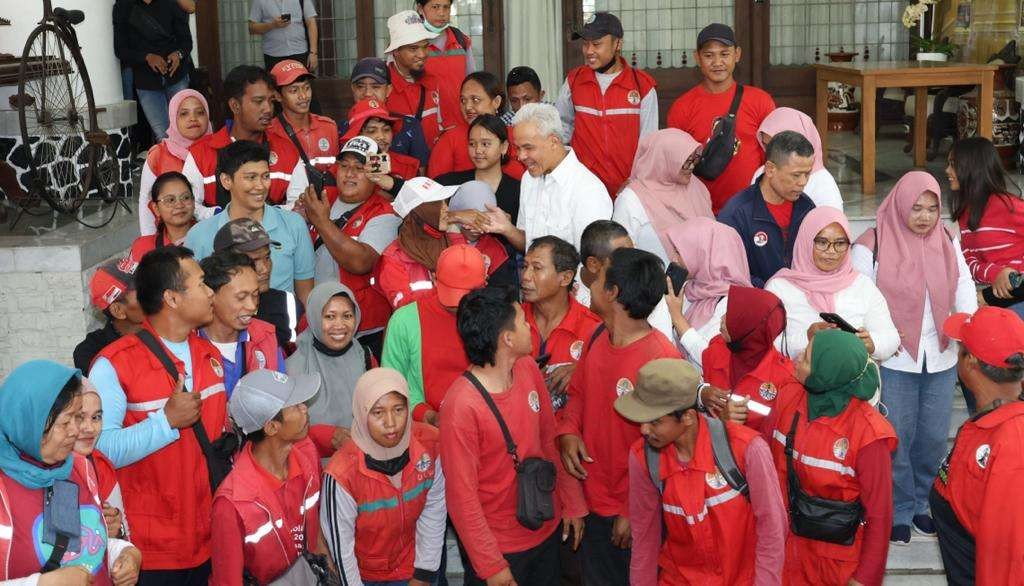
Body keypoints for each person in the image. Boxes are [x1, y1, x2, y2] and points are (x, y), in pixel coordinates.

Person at [851, 171, 977, 544]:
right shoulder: (872, 242)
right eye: (916, 208)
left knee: (935, 438)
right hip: (894, 358)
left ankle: (923, 502)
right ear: (901, 204)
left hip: (940, 355)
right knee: (897, 437)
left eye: (932, 208)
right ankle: (899, 507)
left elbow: (964, 283)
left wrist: (965, 325)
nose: (924, 216)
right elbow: (860, 297)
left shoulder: (946, 238)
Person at [88, 247, 227, 583]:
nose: (211, 292)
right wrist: (165, 422)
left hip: (209, 540)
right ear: (173, 299)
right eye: (202, 284)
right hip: (150, 553)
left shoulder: (208, 353)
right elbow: (100, 450)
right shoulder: (113, 365)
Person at [442, 286, 587, 585]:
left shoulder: (527, 369)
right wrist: (492, 567)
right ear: (506, 339)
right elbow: (462, 498)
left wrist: (571, 502)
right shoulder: (461, 406)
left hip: (544, 531)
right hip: (500, 551)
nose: (529, 326)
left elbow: (549, 438)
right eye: (523, 320)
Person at [557, 247, 681, 585]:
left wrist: (632, 509)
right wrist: (568, 431)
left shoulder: (660, 361)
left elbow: (668, 449)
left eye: (598, 277)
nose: (589, 280)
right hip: (592, 500)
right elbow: (578, 395)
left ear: (614, 294)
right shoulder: (598, 336)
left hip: (632, 515)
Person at [618, 358, 787, 585]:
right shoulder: (643, 458)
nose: (644, 430)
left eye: (655, 422)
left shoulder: (748, 449)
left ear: (687, 417)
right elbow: (645, 539)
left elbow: (772, 530)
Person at [763, 329, 896, 586]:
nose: (798, 357)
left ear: (827, 372)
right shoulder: (789, 397)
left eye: (808, 358)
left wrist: (865, 578)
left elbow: (880, 514)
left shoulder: (869, 434)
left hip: (837, 563)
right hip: (785, 551)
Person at [0, 360, 142, 584]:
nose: (76, 431)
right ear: (29, 423)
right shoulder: (4, 488)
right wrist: (40, 584)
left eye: (77, 417)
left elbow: (81, 545)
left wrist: (126, 553)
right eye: (66, 422)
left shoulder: (76, 468)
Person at [321, 367, 447, 585]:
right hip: (363, 575)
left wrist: (424, 574)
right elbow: (342, 550)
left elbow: (434, 509)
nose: (391, 423)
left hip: (413, 565)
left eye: (399, 409)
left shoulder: (430, 445)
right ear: (361, 413)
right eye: (378, 412)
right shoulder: (342, 473)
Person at [931, 306, 1024, 584]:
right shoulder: (987, 422)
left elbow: (1007, 559)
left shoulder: (1012, 445)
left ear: (970, 361)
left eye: (960, 347)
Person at [210, 369, 325, 584]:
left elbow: (316, 537)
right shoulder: (231, 504)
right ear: (272, 427)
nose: (305, 409)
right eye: (296, 405)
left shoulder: (307, 454)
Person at [185, 140, 315, 304]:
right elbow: (195, 301)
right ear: (226, 181)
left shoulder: (294, 225)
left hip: (281, 325)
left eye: (265, 176)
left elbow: (306, 294)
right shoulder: (199, 235)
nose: (260, 186)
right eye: (251, 177)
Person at [766, 206, 900, 362]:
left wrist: (872, 344)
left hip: (852, 383)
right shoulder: (780, 288)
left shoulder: (861, 285)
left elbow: (891, 336)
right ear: (806, 241)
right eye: (822, 242)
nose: (831, 251)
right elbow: (765, 344)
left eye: (840, 243)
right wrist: (806, 338)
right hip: (793, 382)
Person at [306, 136, 402, 354]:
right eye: (344, 166)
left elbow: (361, 262)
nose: (350, 174)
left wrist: (321, 221)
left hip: (363, 329)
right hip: (318, 322)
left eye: (359, 168)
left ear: (375, 175)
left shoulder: (384, 212)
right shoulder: (322, 198)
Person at [666, 23, 776, 213]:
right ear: (697, 58)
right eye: (709, 55)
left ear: (737, 54)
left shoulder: (760, 101)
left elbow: (775, 157)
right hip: (700, 210)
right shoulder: (682, 107)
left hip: (751, 209)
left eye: (724, 54)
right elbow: (674, 165)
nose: (717, 62)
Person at [382, 244, 487, 426]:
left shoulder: (497, 318)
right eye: (452, 293)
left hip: (483, 421)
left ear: (485, 283)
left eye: (469, 295)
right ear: (434, 278)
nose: (458, 306)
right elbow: (391, 384)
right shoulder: (404, 320)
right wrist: (425, 414)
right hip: (424, 429)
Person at [484, 103, 612, 252]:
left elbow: (591, 264)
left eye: (528, 147)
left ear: (554, 142)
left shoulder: (588, 190)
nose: (520, 156)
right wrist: (507, 229)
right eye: (518, 148)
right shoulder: (528, 179)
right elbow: (529, 247)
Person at [557, 11, 658, 196]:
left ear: (618, 44)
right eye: (585, 44)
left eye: (596, 44)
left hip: (629, 191)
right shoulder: (573, 81)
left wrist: (635, 182)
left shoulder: (642, 86)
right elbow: (561, 129)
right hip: (584, 191)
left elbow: (649, 144)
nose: (589, 51)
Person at [182, 65, 307, 212]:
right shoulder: (201, 153)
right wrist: (225, 216)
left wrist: (264, 216)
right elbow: (188, 206)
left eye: (271, 101)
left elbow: (301, 204)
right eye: (258, 101)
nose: (268, 109)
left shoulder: (287, 150)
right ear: (235, 106)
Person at [719, 130, 817, 288]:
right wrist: (772, 292)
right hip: (758, 303)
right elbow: (728, 273)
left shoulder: (807, 208)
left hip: (803, 301)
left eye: (807, 174)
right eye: (796, 175)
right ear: (770, 169)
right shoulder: (736, 214)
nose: (803, 182)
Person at [700, 285, 799, 432]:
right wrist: (701, 395)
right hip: (711, 445)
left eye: (733, 315)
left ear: (749, 327)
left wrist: (727, 426)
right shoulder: (715, 349)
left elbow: (776, 437)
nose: (721, 319)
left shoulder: (785, 378)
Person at [521, 236, 602, 412]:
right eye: (525, 266)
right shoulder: (511, 322)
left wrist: (583, 373)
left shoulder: (594, 329)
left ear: (565, 278)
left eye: (537, 268)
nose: (525, 276)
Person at [612, 128, 713, 267]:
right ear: (664, 160)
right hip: (653, 284)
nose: (691, 166)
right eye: (685, 161)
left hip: (702, 281)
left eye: (694, 160)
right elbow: (621, 255)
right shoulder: (630, 200)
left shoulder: (697, 188)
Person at [947, 136, 1024, 317]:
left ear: (973, 168)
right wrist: (996, 274)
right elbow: (968, 260)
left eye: (953, 164)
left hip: (1015, 295)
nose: (947, 170)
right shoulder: (966, 212)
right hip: (991, 293)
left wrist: (1012, 275)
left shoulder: (1008, 207)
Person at [286, 282, 376, 436]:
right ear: (314, 317)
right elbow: (289, 432)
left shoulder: (365, 357)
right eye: (330, 316)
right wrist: (329, 437)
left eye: (347, 316)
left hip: (365, 455)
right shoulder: (293, 370)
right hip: (315, 458)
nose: (339, 325)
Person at [663, 218, 753, 371]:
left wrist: (677, 318)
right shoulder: (690, 287)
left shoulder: (735, 304)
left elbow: (712, 358)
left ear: (704, 254)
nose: (673, 259)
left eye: (679, 252)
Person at [198, 251, 285, 396]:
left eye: (255, 295)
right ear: (210, 295)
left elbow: (281, 397)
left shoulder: (266, 338)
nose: (251, 306)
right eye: (241, 297)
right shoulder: (189, 344)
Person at [212, 218, 304, 349]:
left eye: (267, 257)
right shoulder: (208, 311)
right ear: (225, 263)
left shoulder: (287, 304)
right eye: (253, 261)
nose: (265, 269)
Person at [578, 219, 674, 341]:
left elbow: (659, 351)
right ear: (593, 264)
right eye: (623, 256)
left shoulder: (644, 289)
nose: (632, 260)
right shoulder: (563, 289)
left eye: (633, 251)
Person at [113, 0, 193, 141]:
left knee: (186, 131)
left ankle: (188, 163)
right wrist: (147, 57)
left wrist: (178, 54)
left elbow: (186, 41)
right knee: (163, 137)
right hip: (146, 81)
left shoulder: (171, 3)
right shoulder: (123, 6)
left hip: (176, 75)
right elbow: (121, 50)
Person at [375, 177, 459, 309]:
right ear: (418, 212)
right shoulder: (393, 259)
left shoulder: (456, 243)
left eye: (445, 202)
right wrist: (445, 290)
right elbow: (404, 309)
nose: (446, 209)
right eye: (437, 203)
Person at [138, 90, 212, 235]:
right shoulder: (158, 155)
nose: (193, 118)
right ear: (173, 118)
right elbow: (146, 201)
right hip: (170, 237)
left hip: (212, 233)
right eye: (184, 114)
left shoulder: (219, 149)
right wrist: (149, 239)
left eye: (200, 112)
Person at [428, 71, 524, 180]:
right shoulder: (450, 139)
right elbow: (435, 188)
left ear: (496, 102)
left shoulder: (517, 135)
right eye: (463, 100)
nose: (468, 106)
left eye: (475, 100)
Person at [341, 57, 431, 169]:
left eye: (375, 87)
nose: (368, 93)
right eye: (360, 86)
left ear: (388, 90)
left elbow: (421, 177)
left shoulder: (409, 126)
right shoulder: (342, 128)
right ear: (353, 89)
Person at [267, 60, 338, 200]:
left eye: (306, 88)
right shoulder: (269, 133)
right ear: (277, 95)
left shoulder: (329, 127)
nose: (303, 96)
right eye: (294, 90)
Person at [74, 381, 134, 545]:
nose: (90, 428)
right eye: (79, 417)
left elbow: (124, 536)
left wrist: (117, 530)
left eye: (96, 417)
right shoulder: (32, 468)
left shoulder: (99, 466)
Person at [435, 114, 523, 223]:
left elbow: (526, 237)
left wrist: (507, 229)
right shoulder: (447, 184)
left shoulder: (519, 191)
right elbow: (422, 215)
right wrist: (457, 215)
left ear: (504, 147)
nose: (478, 150)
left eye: (485, 144)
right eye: (472, 144)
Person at [750, 107, 843, 210]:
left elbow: (831, 224)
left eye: (778, 146)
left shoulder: (823, 185)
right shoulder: (762, 173)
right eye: (766, 146)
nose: (771, 153)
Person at [384, 11, 447, 147]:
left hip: (433, 165)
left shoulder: (432, 81)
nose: (422, 54)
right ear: (395, 51)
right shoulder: (381, 87)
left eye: (425, 47)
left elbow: (439, 126)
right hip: (397, 167)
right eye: (413, 49)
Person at [74, 258, 145, 374]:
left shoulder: (170, 328)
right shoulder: (91, 353)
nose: (157, 294)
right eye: (145, 293)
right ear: (118, 311)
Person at [445, 180, 518, 289]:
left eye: (483, 218)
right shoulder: (439, 242)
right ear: (457, 214)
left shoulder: (498, 252)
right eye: (471, 218)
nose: (476, 226)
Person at [416, 0, 475, 134]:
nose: (441, 13)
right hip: (425, 130)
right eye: (435, 7)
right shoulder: (411, 45)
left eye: (446, 7)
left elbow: (473, 85)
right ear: (420, 8)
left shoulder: (461, 40)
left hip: (461, 126)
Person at [340, 98, 421, 185]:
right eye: (371, 131)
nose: (381, 136)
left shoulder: (408, 167)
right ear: (356, 135)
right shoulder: (340, 168)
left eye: (386, 130)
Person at [131, 172, 197, 263]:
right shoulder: (143, 248)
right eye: (170, 200)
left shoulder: (211, 237)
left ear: (194, 201)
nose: (179, 205)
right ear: (156, 208)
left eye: (185, 198)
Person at [247, 0, 319, 72]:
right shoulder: (260, 1)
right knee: (276, 82)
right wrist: (273, 25)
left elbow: (311, 23)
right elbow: (252, 28)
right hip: (273, 55)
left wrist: (313, 53)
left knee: (301, 82)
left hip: (300, 51)